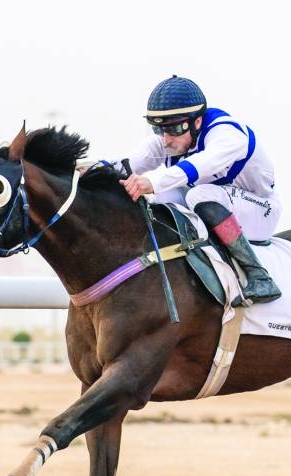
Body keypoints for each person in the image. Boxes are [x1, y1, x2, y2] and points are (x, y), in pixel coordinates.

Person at [119, 75, 282, 304]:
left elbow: (201, 165)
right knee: (162, 198)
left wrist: (152, 181)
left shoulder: (228, 134)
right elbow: (125, 165)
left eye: (174, 128)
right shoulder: (168, 139)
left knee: (197, 193)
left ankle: (259, 275)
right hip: (223, 204)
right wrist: (86, 171)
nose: (166, 140)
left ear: (197, 122)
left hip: (260, 210)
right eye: (159, 130)